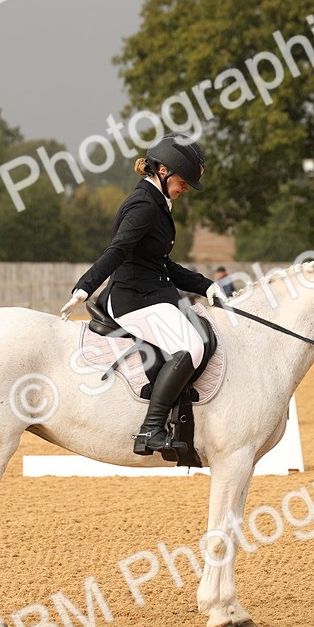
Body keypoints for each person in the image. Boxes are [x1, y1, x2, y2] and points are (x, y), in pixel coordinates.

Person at [60, 133, 226, 456]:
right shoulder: (144, 205)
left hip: (152, 293)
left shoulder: (157, 203)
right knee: (190, 346)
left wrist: (205, 285)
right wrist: (84, 286)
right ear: (163, 172)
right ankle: (150, 429)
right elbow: (119, 249)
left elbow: (162, 264)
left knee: (200, 337)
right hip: (132, 298)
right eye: (183, 181)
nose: (185, 188)